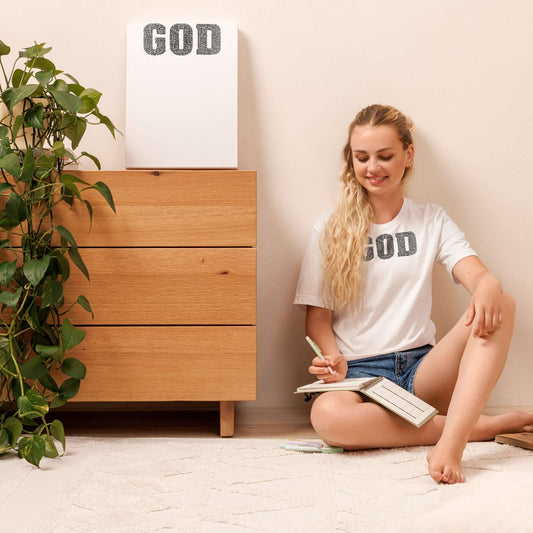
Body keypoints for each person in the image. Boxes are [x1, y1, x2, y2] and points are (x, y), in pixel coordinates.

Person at [293, 104, 533, 484]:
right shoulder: (329, 228)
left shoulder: (430, 219)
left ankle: (451, 443)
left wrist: (487, 283)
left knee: (501, 302)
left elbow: (475, 273)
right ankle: (479, 427)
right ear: (350, 161)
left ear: (408, 155)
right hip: (359, 378)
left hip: (423, 372)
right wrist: (332, 358)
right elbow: (317, 318)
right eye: (362, 157)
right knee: (327, 417)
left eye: (385, 156)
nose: (373, 167)